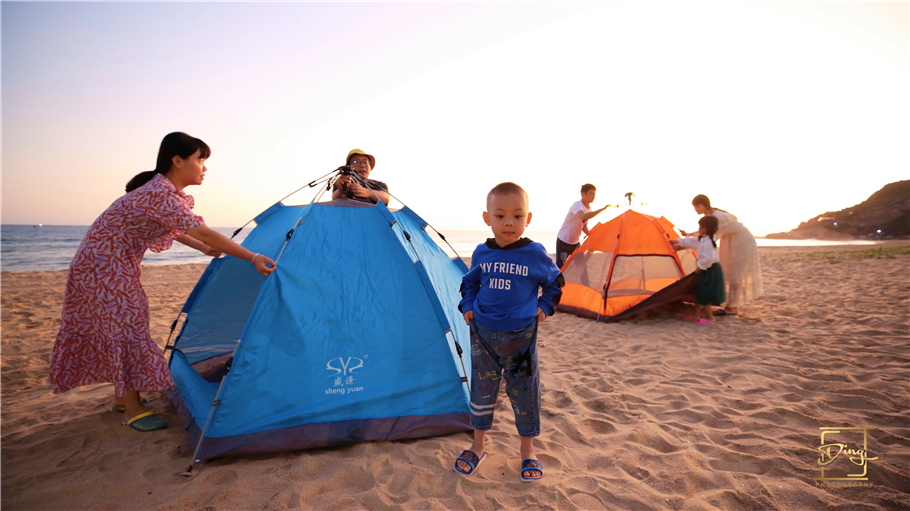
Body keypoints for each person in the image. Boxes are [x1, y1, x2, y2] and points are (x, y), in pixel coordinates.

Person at [48, 132, 277, 433]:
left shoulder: (161, 192)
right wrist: (252, 257)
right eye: (200, 160)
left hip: (106, 263)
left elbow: (179, 229)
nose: (204, 168)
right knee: (128, 326)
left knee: (125, 324)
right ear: (177, 160)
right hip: (104, 266)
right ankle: (132, 409)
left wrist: (205, 250)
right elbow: (203, 231)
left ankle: (122, 398)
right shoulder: (161, 192)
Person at [455, 182, 564, 482]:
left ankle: (528, 451)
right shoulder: (481, 253)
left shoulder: (535, 253)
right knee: (482, 389)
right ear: (486, 217)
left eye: (517, 216)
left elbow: (556, 283)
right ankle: (478, 446)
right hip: (483, 336)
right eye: (500, 215)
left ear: (528, 219)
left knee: (525, 392)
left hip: (521, 337)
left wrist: (544, 307)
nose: (508, 222)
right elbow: (469, 283)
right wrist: (467, 306)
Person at [681, 194, 763, 315]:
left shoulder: (719, 217)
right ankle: (731, 305)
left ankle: (731, 308)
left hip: (741, 241)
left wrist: (685, 243)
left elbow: (709, 237)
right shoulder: (710, 215)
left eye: (697, 206)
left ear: (705, 205)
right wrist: (688, 235)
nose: (696, 209)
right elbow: (705, 231)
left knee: (734, 273)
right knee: (729, 271)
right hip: (730, 240)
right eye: (694, 207)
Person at [671, 215, 725, 324]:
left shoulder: (709, 242)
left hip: (709, 269)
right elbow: (692, 242)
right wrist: (678, 241)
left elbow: (709, 259)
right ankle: (696, 315)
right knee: (699, 291)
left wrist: (700, 267)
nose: (699, 229)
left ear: (706, 228)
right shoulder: (703, 239)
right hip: (705, 267)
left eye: (701, 227)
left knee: (704, 292)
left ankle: (710, 318)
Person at [555, 184, 610, 268]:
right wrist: (603, 209)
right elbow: (583, 216)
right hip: (563, 242)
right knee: (560, 268)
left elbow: (583, 226)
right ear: (583, 194)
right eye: (591, 194)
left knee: (581, 268)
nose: (593, 196)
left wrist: (590, 234)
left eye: (594, 194)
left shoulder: (589, 208)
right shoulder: (576, 205)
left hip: (575, 243)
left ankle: (584, 282)